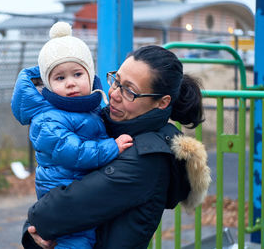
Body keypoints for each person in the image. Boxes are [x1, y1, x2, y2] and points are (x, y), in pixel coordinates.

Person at [19, 45, 212, 249]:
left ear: (162, 103)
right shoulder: (106, 125)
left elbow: (51, 214)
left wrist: (34, 226)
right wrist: (33, 232)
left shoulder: (149, 158)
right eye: (116, 81)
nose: (114, 94)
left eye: (129, 91)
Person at [11, 22, 133, 249]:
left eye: (77, 74)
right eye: (59, 78)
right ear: (47, 84)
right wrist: (112, 148)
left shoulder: (90, 109)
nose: (70, 83)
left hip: (80, 193)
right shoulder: (47, 118)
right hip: (64, 198)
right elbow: (72, 151)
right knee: (76, 241)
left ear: (90, 74)